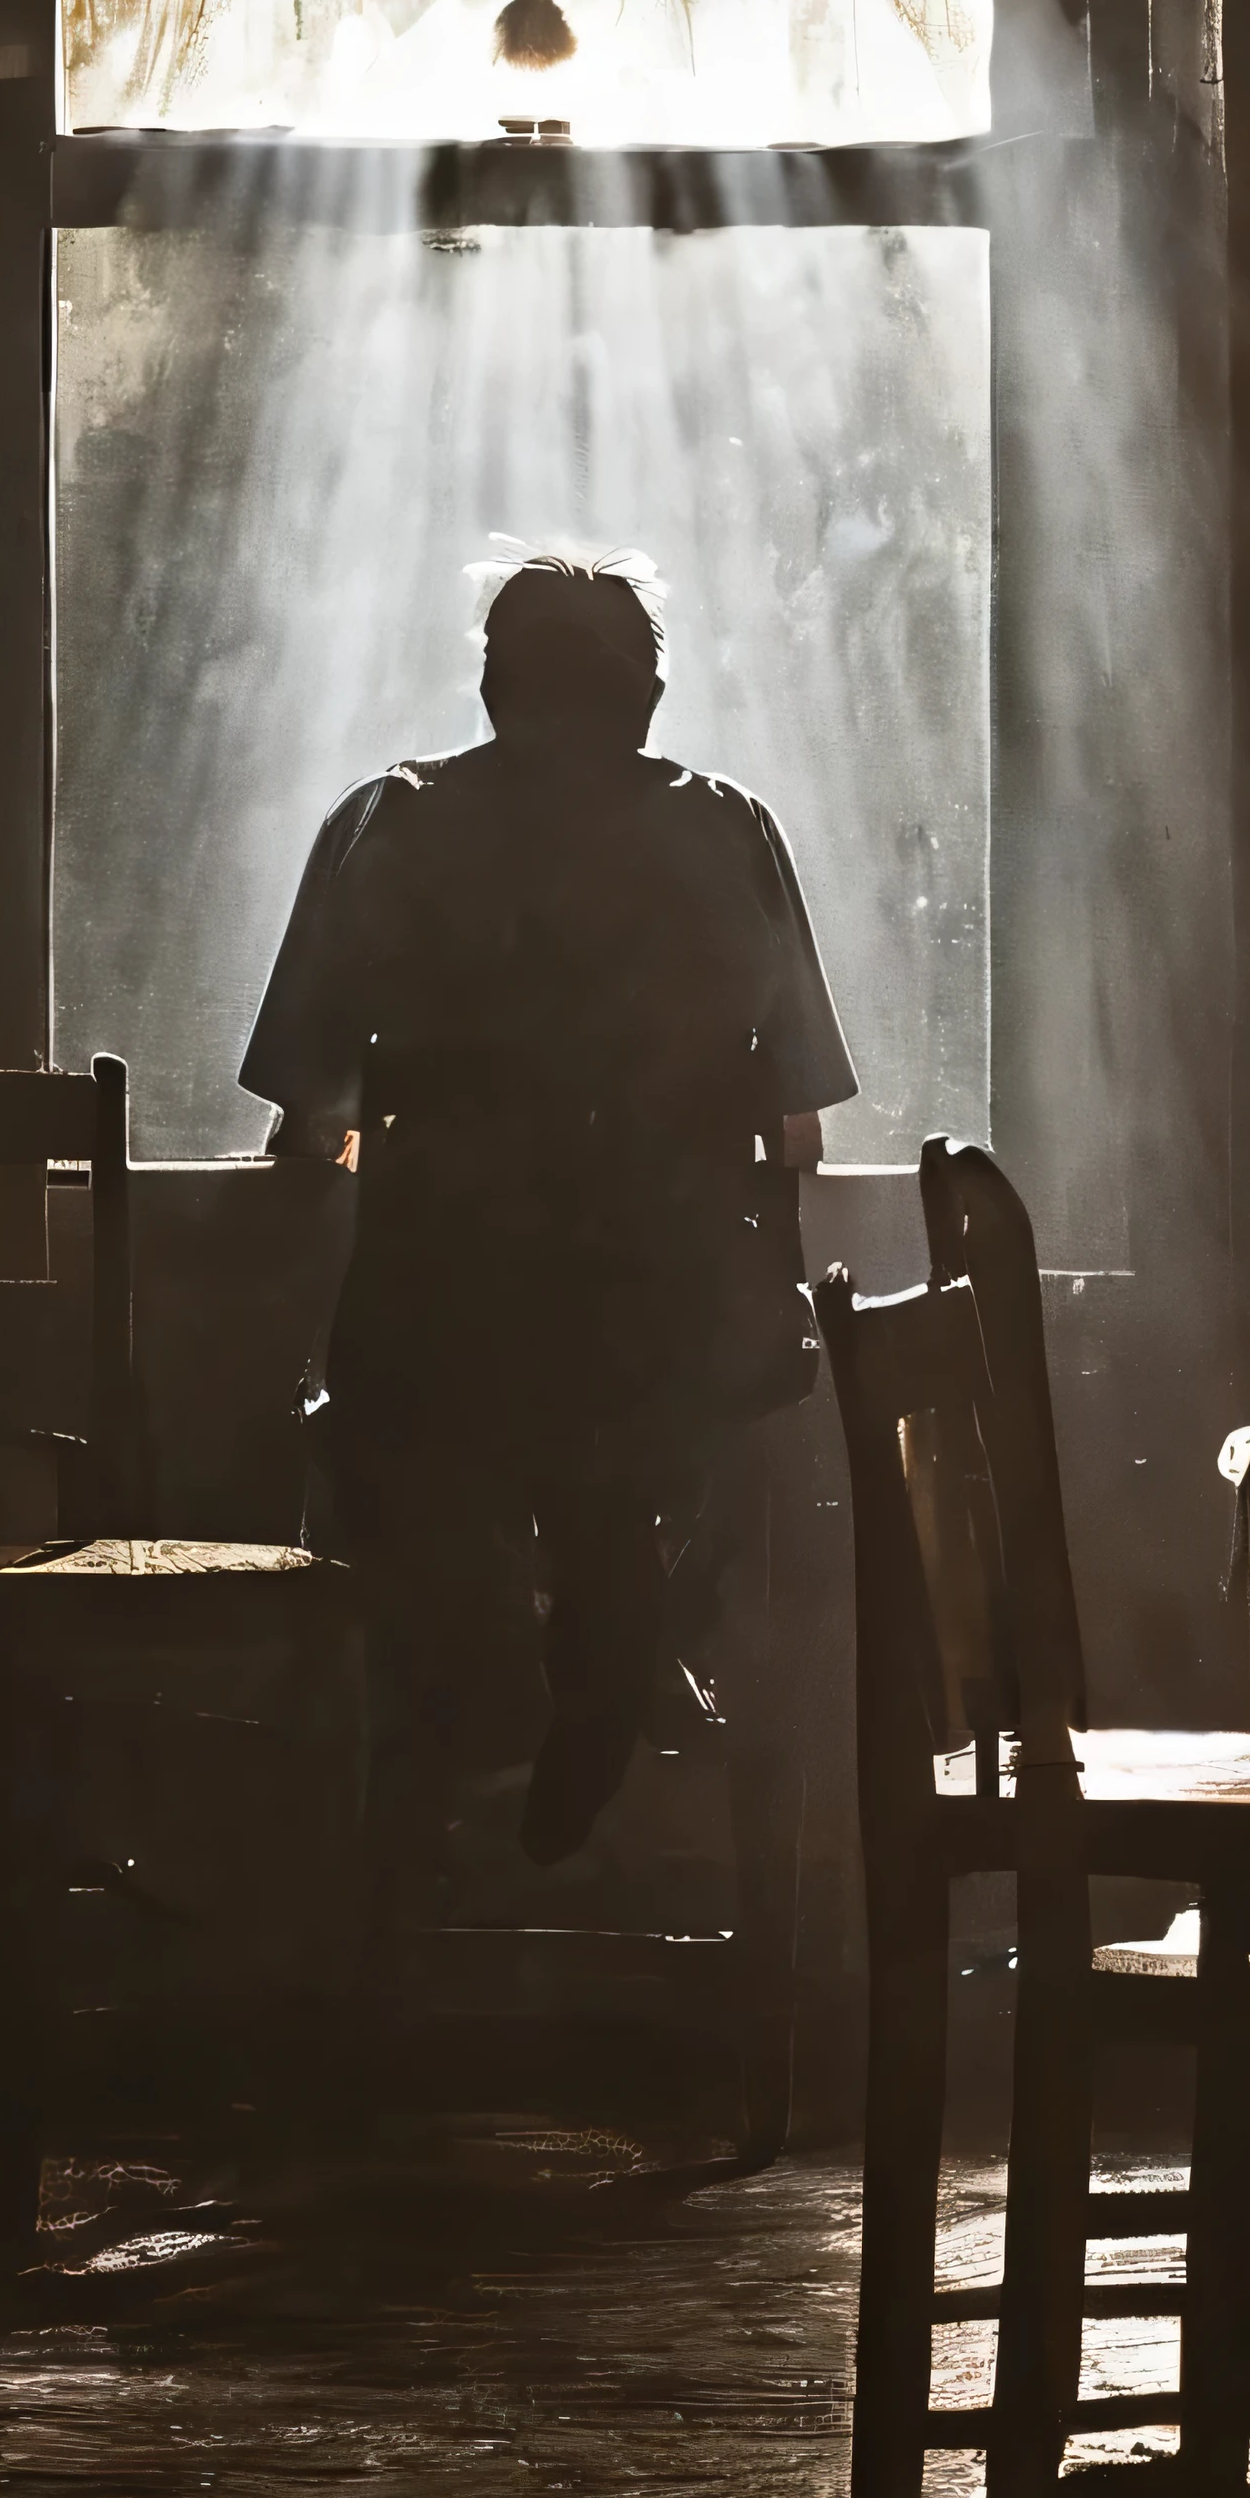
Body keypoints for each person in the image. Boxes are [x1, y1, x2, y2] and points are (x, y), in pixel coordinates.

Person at [240, 552, 856, 1879]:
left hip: (443, 1339)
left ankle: (498, 1662)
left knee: (401, 1448)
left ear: (489, 686)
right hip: (669, 1348)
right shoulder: (729, 830)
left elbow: (308, 1122)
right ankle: (618, 1611)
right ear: (649, 697)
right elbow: (794, 1132)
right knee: (638, 1443)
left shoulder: (389, 825)